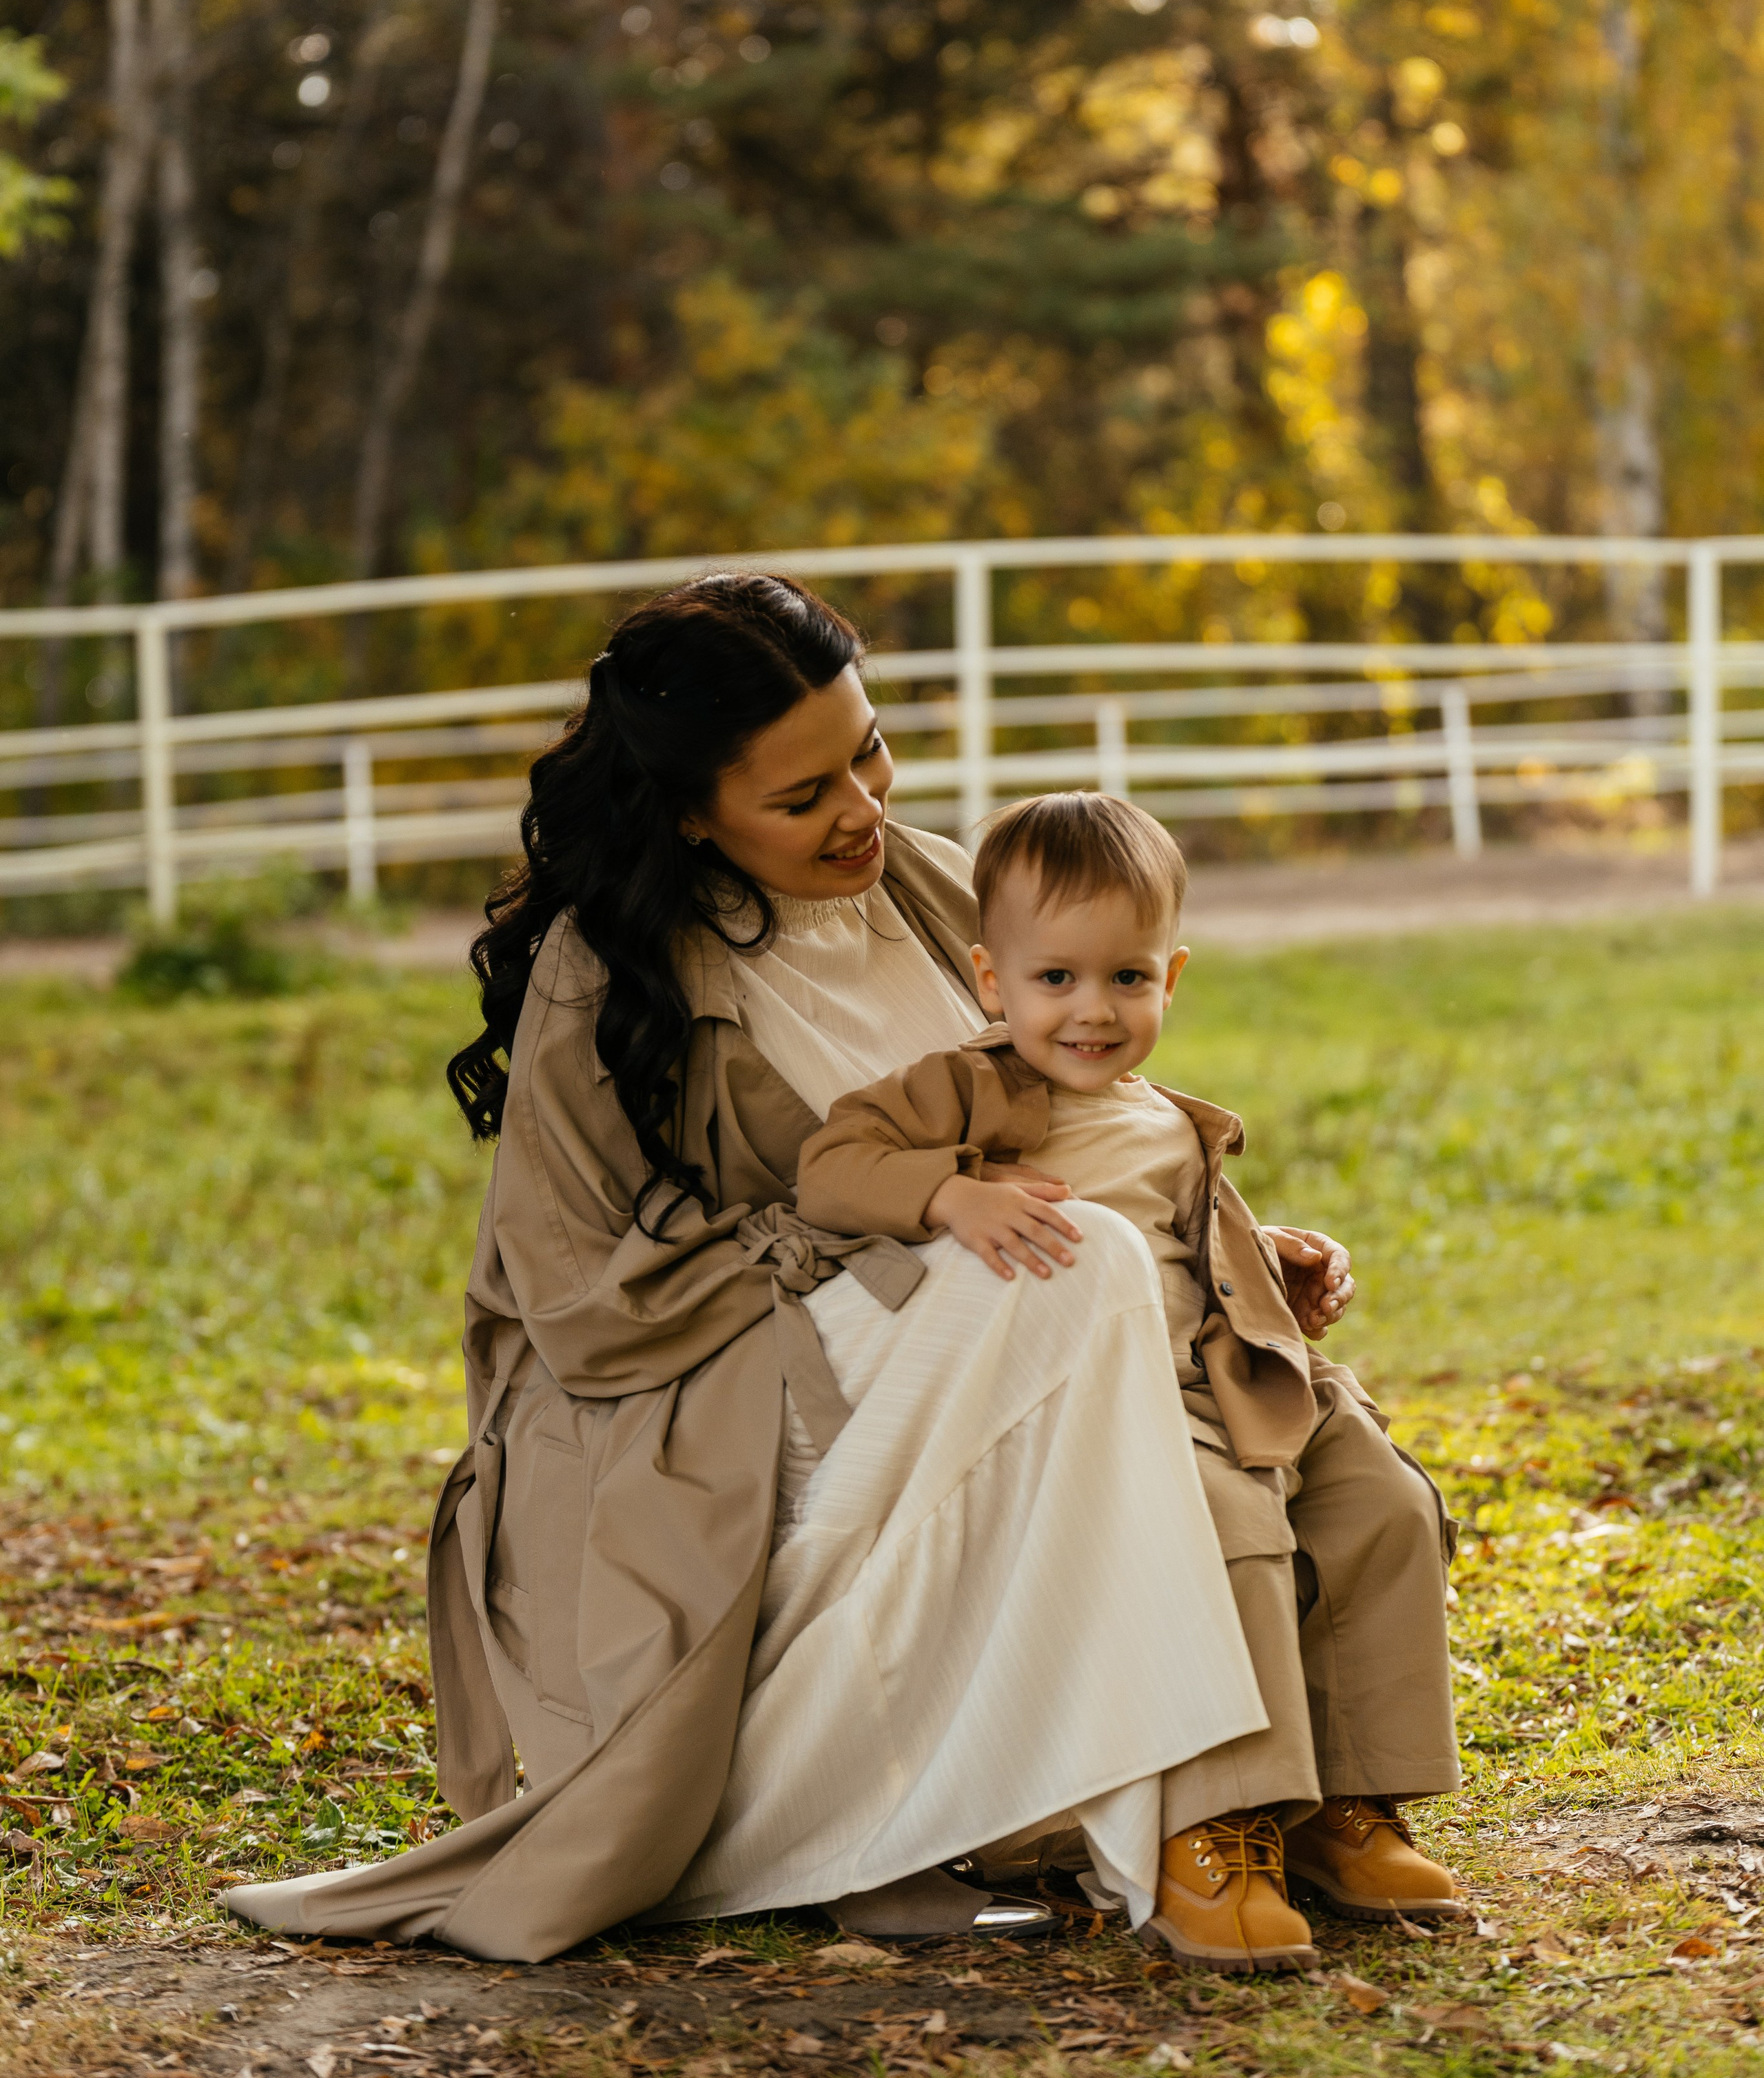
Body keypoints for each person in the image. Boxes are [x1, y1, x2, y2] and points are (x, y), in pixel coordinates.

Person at [218, 573, 1377, 1968]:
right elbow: (582, 1301)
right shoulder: (608, 974)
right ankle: (1174, 1826)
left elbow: (1082, 1118)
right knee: (1078, 1275)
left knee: (1262, 1386)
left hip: (995, 1316)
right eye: (801, 795)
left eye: (868, 751)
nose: (861, 808)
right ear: (691, 812)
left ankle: (1315, 1800)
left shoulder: (932, 883)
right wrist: (886, 1231)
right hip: (747, 1385)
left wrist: (1231, 1250)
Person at [797, 791, 1464, 1966]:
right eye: (1055, 979)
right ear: (992, 979)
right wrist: (947, 1193)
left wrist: (1272, 1264)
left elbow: (1181, 1245)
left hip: (1238, 1373)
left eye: (1127, 978)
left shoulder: (1163, 1116)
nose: (1093, 1010)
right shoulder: (964, 1087)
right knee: (1231, 1535)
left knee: (1386, 1503)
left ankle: (1346, 1802)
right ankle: (1210, 1829)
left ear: (1172, 976)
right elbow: (829, 1169)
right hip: (1124, 1405)